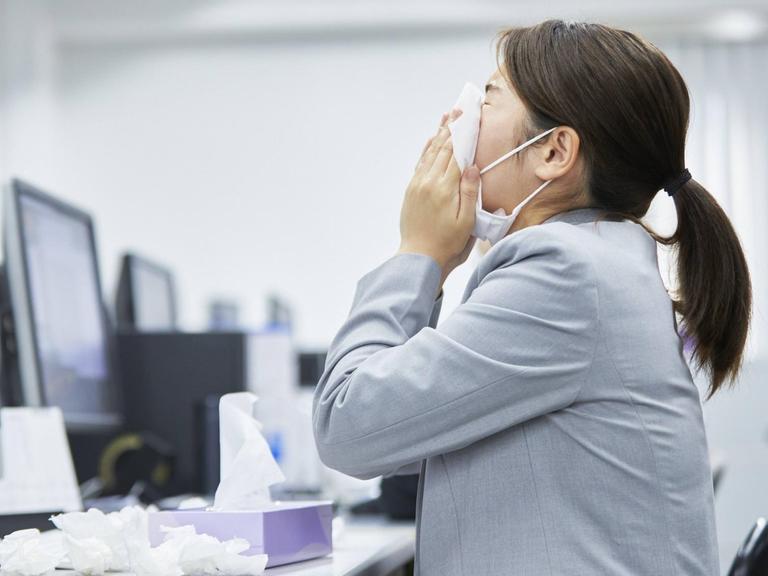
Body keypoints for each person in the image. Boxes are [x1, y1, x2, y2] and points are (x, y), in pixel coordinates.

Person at [312, 19, 751, 576]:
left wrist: (418, 253)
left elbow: (347, 428)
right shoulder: (601, 260)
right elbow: (400, 435)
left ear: (554, 152)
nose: (454, 122)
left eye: (487, 100)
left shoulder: (565, 274)